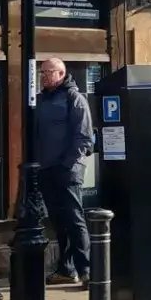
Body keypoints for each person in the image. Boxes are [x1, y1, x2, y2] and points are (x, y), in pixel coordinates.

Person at [34, 57, 94, 285]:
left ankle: (86, 270)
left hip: (67, 170)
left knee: (75, 219)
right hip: (46, 168)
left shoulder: (74, 99)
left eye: (48, 72)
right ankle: (66, 269)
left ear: (60, 73)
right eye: (41, 72)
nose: (43, 76)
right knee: (59, 222)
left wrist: (67, 164)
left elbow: (84, 137)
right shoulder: (41, 100)